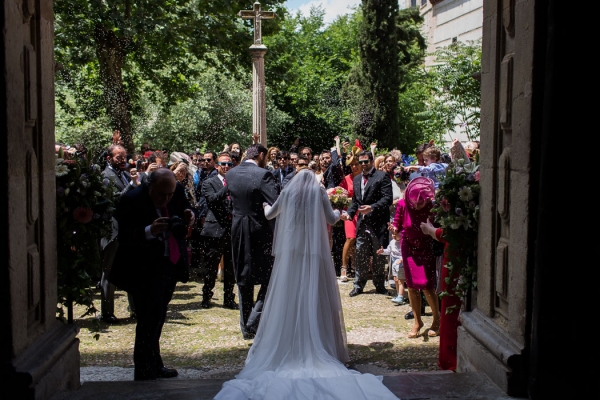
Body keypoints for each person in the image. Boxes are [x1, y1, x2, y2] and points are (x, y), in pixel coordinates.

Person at [214, 168, 398, 400]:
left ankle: (287, 342)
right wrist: (340, 211)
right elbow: (332, 219)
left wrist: (262, 207)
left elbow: (271, 214)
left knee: (288, 296)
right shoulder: (318, 192)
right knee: (315, 295)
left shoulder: (288, 193)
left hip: (290, 256)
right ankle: (320, 342)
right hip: (313, 256)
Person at [108, 168, 196, 380]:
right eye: (161, 195)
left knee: (158, 316)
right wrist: (149, 231)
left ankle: (155, 363)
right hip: (142, 267)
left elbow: (186, 210)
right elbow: (125, 237)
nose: (166, 199)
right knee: (147, 318)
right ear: (149, 187)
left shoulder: (176, 192)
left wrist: (189, 215)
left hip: (170, 263)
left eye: (169, 195)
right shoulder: (131, 200)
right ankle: (144, 368)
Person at [225, 143, 280, 339]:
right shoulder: (263, 175)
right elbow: (276, 203)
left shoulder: (230, 174)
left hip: (238, 230)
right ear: (262, 155)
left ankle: (245, 326)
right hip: (260, 231)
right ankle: (254, 320)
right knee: (270, 278)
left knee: (243, 278)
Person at [391, 177, 440, 339]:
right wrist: (394, 229)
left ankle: (437, 320)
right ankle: (417, 321)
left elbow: (437, 226)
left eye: (422, 203)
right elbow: (397, 222)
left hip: (426, 247)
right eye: (415, 202)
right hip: (408, 246)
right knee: (411, 286)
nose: (418, 205)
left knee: (427, 285)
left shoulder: (433, 206)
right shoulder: (403, 204)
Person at [340, 151, 393, 297]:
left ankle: (379, 285)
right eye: (361, 162)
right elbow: (356, 201)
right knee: (361, 254)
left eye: (366, 161)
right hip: (362, 223)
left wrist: (372, 207)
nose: (363, 164)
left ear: (371, 160)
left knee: (378, 255)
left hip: (378, 223)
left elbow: (387, 199)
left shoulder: (382, 176)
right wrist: (349, 214)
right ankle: (358, 285)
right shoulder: (357, 179)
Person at [99, 144, 137, 323]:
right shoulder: (105, 176)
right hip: (112, 230)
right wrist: (131, 185)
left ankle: (135, 310)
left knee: (131, 271)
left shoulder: (124, 173)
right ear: (109, 158)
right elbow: (115, 200)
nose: (123, 160)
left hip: (127, 230)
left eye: (124, 157)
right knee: (109, 272)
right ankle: (107, 312)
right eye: (118, 157)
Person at [199, 152, 238, 310]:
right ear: (217, 166)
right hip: (214, 229)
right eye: (223, 164)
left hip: (232, 229)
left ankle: (228, 298)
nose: (227, 167)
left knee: (231, 267)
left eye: (229, 164)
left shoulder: (236, 182)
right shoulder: (209, 182)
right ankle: (206, 296)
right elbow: (213, 200)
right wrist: (228, 187)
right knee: (211, 266)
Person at [420, 219, 460, 370]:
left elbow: (452, 233)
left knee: (451, 303)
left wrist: (430, 230)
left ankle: (450, 359)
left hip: (455, 254)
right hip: (451, 253)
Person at [338, 144, 362, 282]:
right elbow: (339, 195)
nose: (354, 166)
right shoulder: (346, 179)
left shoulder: (366, 178)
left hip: (363, 212)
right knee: (350, 238)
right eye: (352, 164)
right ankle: (344, 267)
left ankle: (358, 267)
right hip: (350, 213)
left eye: (356, 164)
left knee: (360, 241)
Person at [377, 230, 406, 305]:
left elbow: (406, 253)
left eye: (396, 234)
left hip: (401, 264)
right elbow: (388, 251)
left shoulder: (404, 242)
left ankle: (400, 296)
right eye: (392, 234)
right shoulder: (392, 242)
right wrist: (382, 251)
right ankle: (398, 294)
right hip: (394, 264)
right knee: (396, 279)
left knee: (400, 281)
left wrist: (402, 259)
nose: (393, 236)